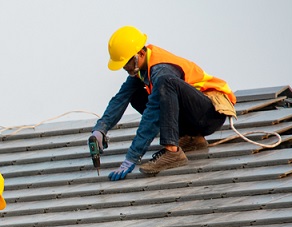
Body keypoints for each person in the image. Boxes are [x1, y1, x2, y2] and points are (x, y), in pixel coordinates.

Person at [90, 25, 237, 181]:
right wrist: (100, 129)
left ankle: (172, 152)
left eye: (127, 62)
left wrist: (132, 157)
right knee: (135, 94)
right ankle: (191, 138)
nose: (126, 68)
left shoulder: (161, 69)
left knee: (165, 84)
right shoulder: (142, 68)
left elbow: (153, 114)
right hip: (195, 117)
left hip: (211, 112)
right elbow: (120, 98)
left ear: (140, 53)